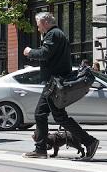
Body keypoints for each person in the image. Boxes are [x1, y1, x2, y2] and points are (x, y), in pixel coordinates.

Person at [22, 12, 99, 160]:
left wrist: (30, 52)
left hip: (55, 83)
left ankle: (88, 141)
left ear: (44, 22)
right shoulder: (57, 34)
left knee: (51, 116)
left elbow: (45, 53)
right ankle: (41, 149)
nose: (38, 29)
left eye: (38, 25)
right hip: (55, 82)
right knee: (49, 115)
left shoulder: (53, 34)